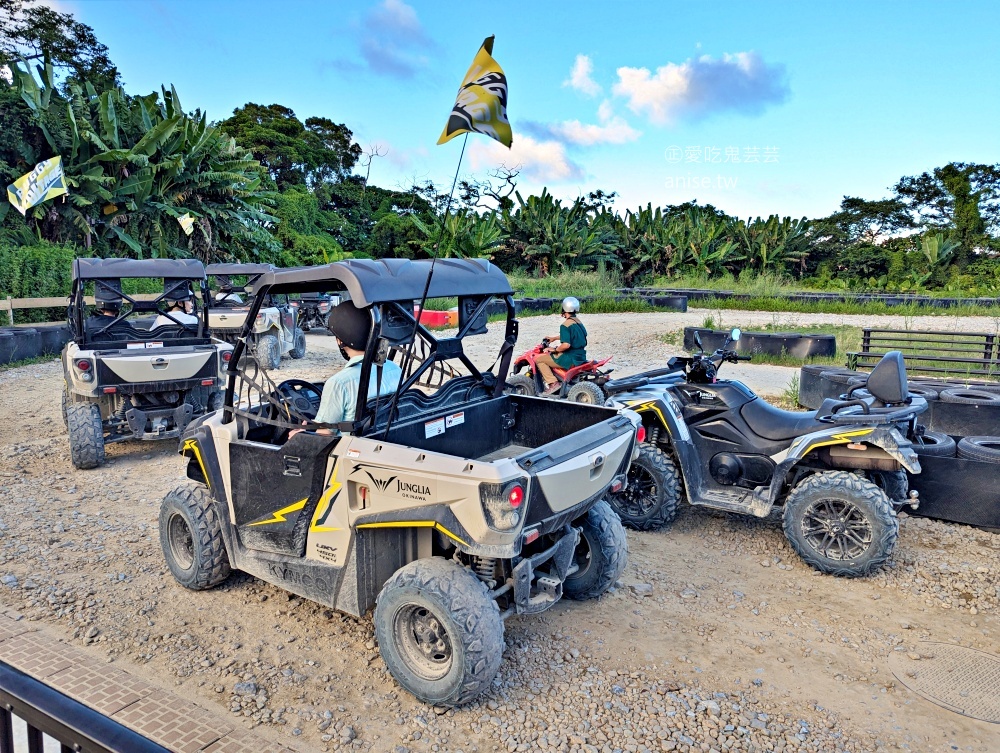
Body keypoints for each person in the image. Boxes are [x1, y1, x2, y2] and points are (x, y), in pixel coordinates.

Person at [291, 301, 401, 436]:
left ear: (340, 341)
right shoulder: (395, 369)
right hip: (386, 439)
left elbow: (325, 435)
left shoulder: (339, 383)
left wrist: (300, 436)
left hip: (349, 447)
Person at [534, 296, 588, 394]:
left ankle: (553, 383)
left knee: (539, 359)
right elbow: (572, 336)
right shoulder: (578, 323)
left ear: (564, 309)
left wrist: (554, 350)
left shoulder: (565, 325)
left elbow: (566, 345)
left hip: (569, 358)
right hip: (580, 356)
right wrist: (554, 338)